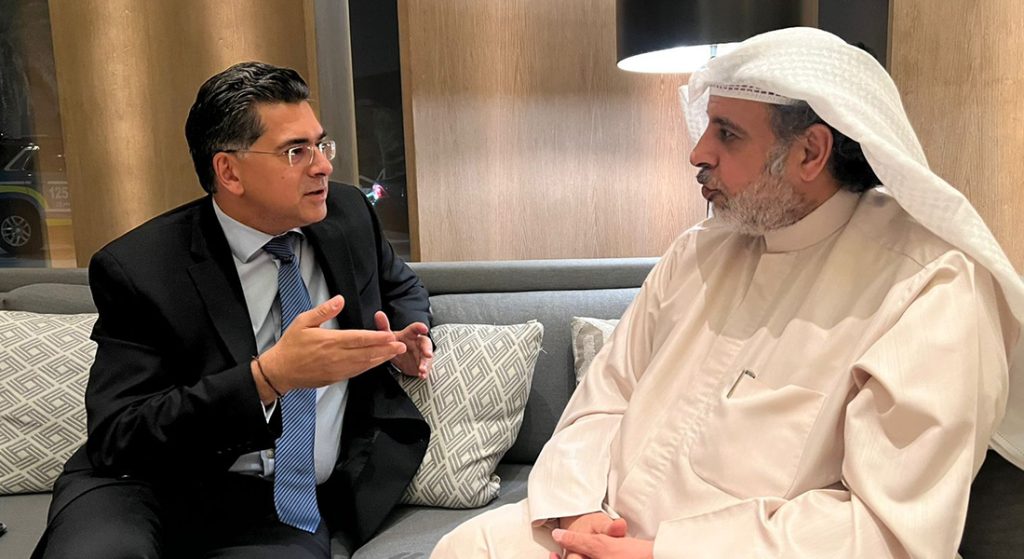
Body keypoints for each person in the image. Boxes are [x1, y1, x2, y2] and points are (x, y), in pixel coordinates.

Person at [432, 27, 1024, 558]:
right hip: (598, 524)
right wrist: (580, 512)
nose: (698, 153)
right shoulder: (699, 250)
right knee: (468, 546)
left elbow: (886, 532)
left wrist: (662, 554)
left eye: (728, 134)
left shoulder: (931, 286)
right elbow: (606, 395)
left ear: (810, 152)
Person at [33, 61, 434, 558]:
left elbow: (399, 284)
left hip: (277, 504)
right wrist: (267, 378)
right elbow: (121, 435)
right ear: (229, 171)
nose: (323, 166)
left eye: (321, 145)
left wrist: (408, 337)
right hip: (139, 485)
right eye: (296, 151)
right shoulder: (142, 267)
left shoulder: (347, 216)